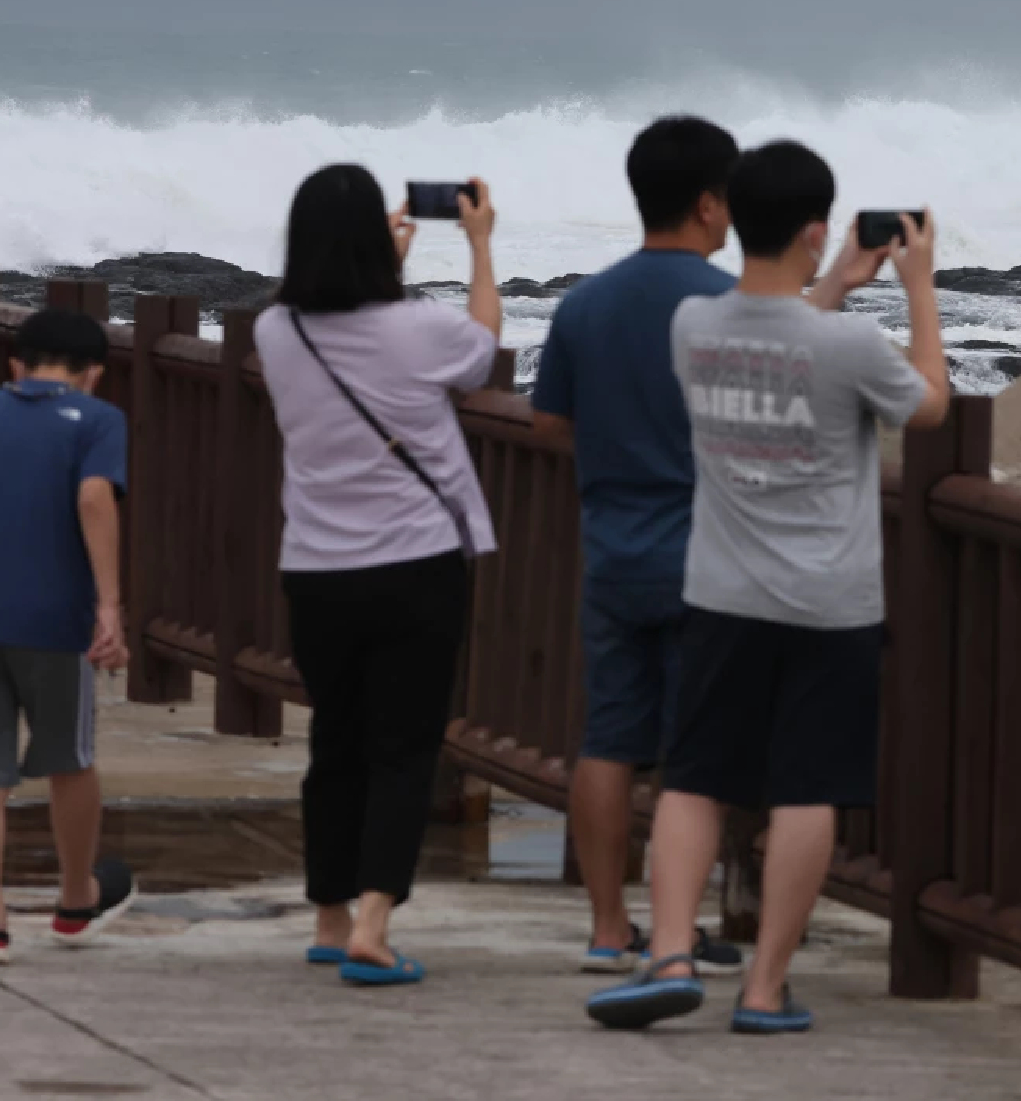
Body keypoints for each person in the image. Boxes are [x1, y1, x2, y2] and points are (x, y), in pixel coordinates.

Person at [586, 140, 951, 1033]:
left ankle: (669, 951)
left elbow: (775, 335)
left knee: (692, 782)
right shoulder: (851, 344)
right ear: (818, 231)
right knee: (805, 789)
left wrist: (830, 283)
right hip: (829, 603)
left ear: (731, 216)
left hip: (718, 592)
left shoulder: (694, 327)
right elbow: (929, 402)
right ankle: (763, 989)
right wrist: (917, 287)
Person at [255, 163, 501, 988]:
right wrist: (479, 247)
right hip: (414, 565)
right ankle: (372, 922)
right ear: (376, 239)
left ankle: (328, 918)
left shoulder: (275, 332)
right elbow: (482, 351)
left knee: (336, 743)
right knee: (403, 749)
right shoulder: (420, 328)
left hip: (317, 570)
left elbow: (344, 322)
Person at [531, 115, 745, 977]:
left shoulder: (586, 302)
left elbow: (548, 420)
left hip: (614, 548)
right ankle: (676, 929)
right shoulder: (731, 305)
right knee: (697, 752)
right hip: (711, 553)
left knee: (610, 739)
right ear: (706, 203)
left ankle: (607, 927)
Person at [0, 307, 137, 966]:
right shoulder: (99, 419)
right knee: (68, 760)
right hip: (54, 620)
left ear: (15, 365)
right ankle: (75, 899)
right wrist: (108, 606)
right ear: (93, 375)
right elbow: (93, 499)